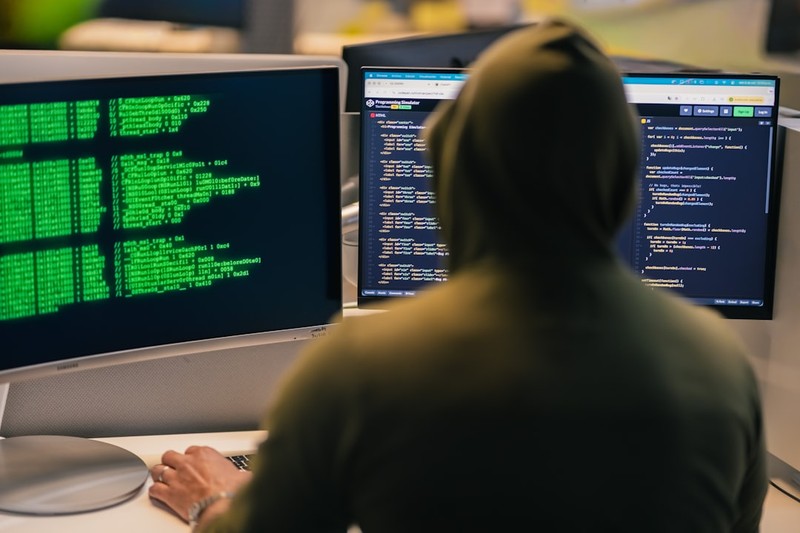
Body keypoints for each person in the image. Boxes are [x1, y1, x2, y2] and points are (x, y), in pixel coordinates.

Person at [148, 18, 767, 532]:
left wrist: (213, 501)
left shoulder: (366, 366)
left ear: (454, 175)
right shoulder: (718, 364)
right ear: (626, 180)